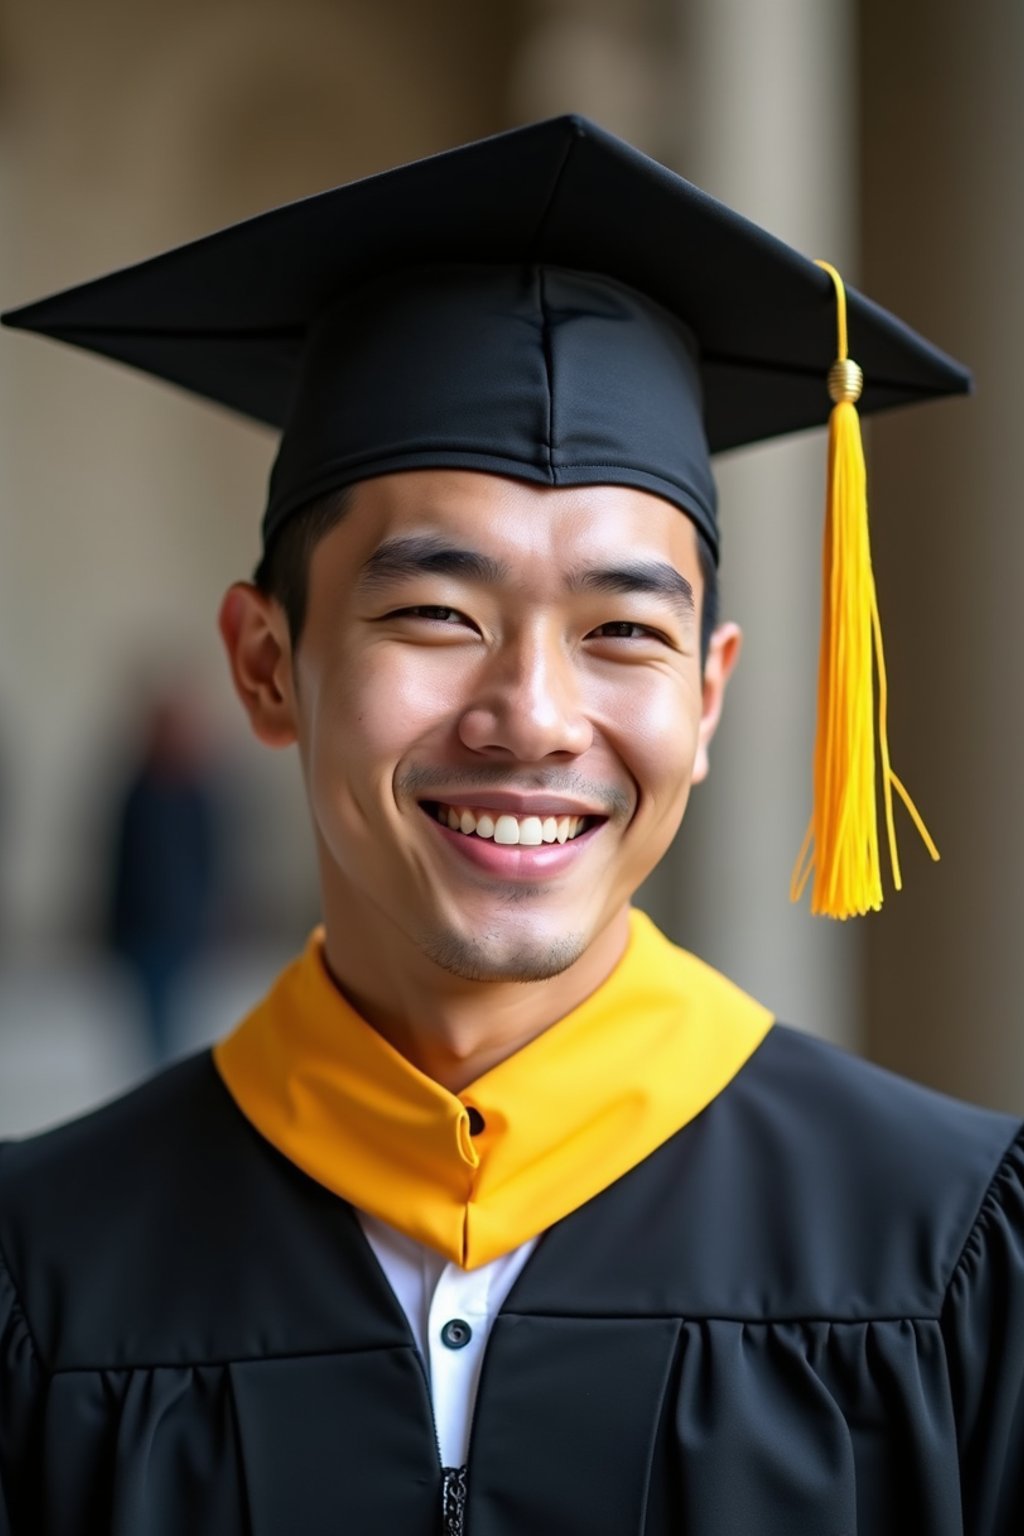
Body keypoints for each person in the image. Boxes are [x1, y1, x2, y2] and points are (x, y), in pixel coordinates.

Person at [0, 116, 1020, 1535]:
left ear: (710, 695)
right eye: (435, 613)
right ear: (264, 666)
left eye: (621, 631)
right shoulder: (42, 1277)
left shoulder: (948, 1249)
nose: (533, 715)